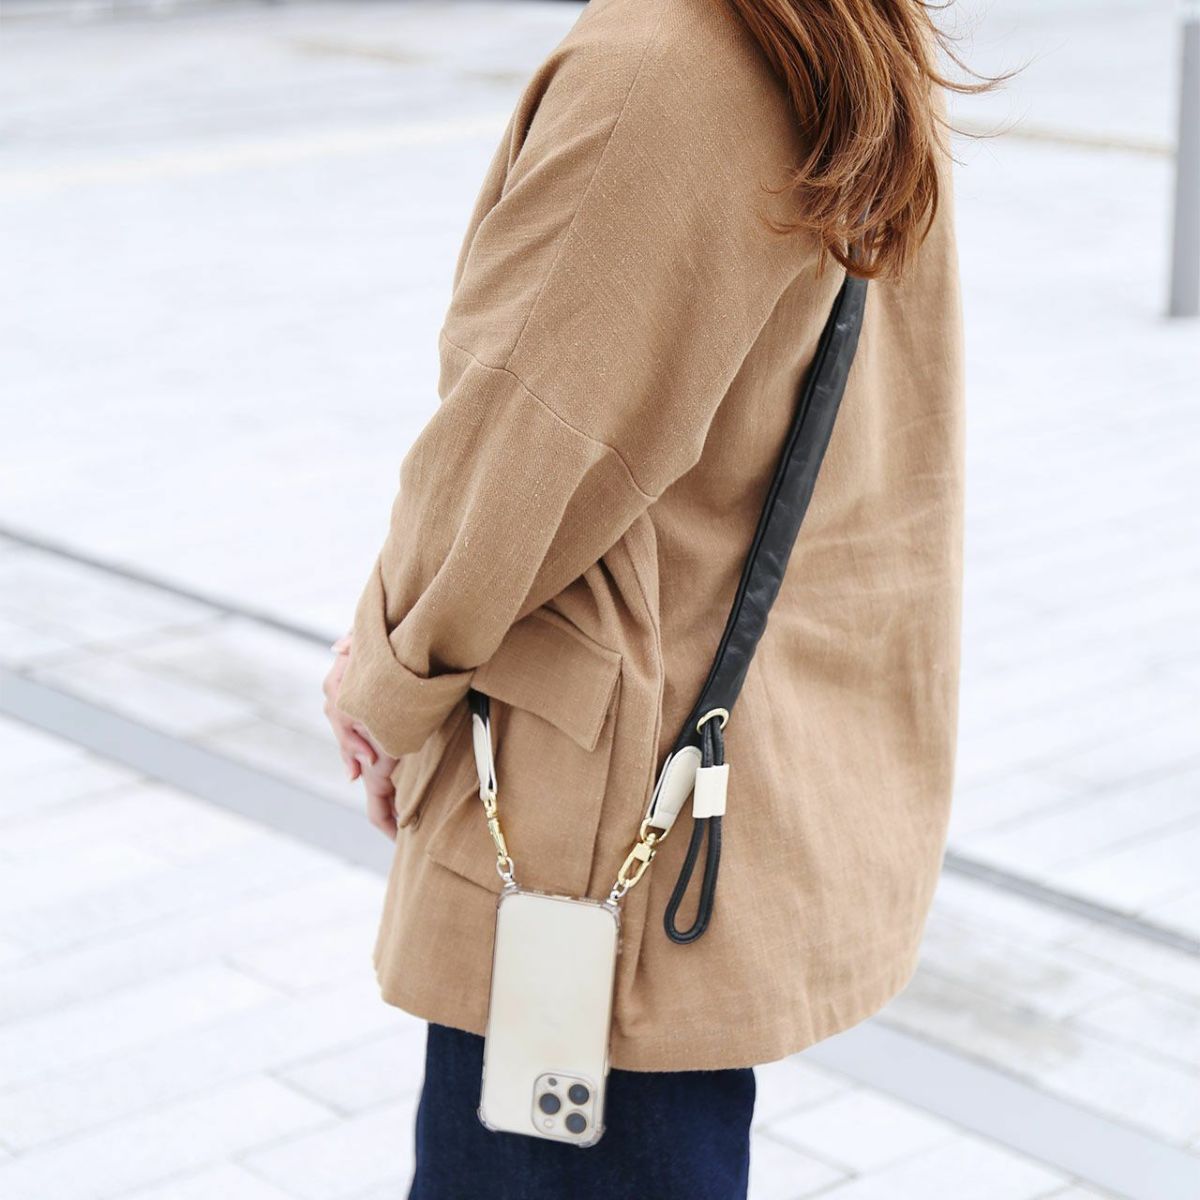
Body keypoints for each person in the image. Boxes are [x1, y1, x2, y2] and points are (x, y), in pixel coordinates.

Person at [324, 0, 988, 1194]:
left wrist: (384, 684)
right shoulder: (833, 29)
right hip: (719, 768)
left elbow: (516, 451)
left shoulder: (663, 66)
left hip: (595, 811)